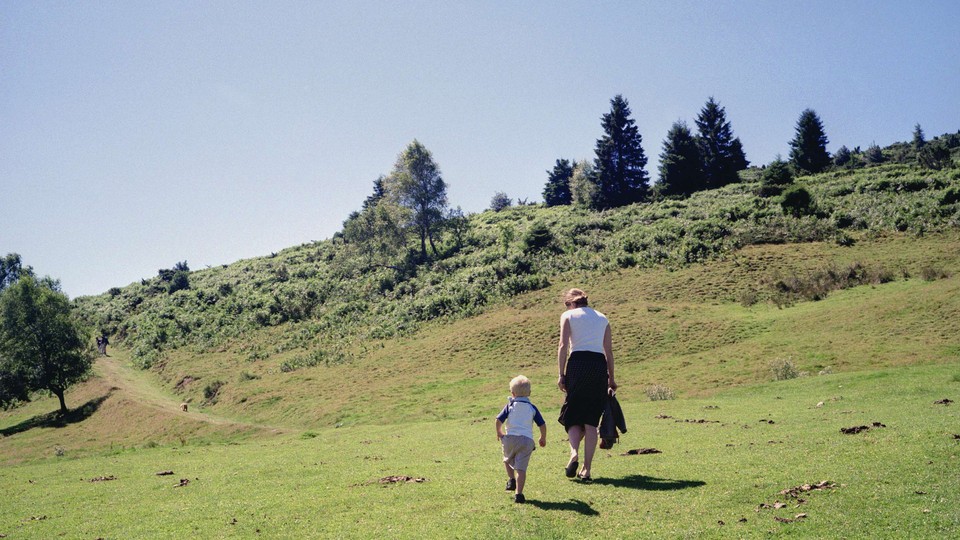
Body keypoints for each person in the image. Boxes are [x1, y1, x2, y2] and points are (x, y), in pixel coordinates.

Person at [556, 288, 617, 481]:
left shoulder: (568, 316)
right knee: (591, 421)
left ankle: (573, 452)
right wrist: (611, 379)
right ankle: (587, 469)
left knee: (573, 415)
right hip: (598, 366)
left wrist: (561, 374)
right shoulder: (602, 318)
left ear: (571, 303)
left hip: (577, 364)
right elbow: (609, 352)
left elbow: (563, 346)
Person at [495, 375, 547, 504]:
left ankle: (511, 479)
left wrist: (499, 432)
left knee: (507, 460)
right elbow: (542, 424)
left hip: (510, 439)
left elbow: (498, 420)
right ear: (529, 393)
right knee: (521, 469)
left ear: (512, 393)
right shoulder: (532, 408)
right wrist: (542, 437)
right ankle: (519, 494)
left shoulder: (510, 406)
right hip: (527, 441)